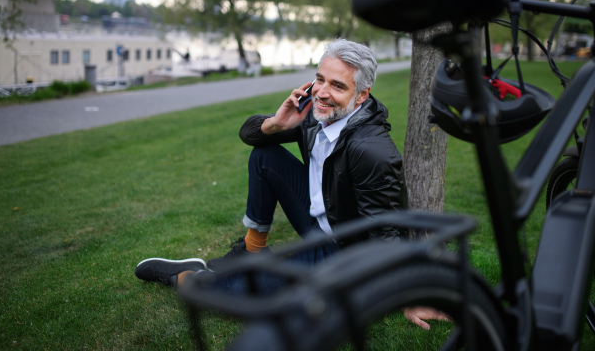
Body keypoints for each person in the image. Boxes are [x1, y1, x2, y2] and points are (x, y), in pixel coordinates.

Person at [135, 38, 447, 329]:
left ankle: (188, 276)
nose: (322, 92)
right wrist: (276, 124)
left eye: (337, 85)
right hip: (316, 217)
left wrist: (409, 296)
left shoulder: (371, 151)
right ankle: (253, 251)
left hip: (339, 249)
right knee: (265, 153)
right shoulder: (314, 113)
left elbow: (386, 230)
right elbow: (249, 136)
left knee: (231, 297)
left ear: (361, 95)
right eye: (320, 79)